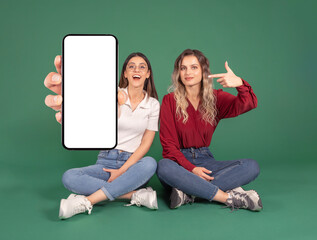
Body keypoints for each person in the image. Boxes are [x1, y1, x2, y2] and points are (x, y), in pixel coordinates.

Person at [44, 52, 160, 219]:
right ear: (125, 73)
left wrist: (122, 171)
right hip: (106, 162)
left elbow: (146, 143)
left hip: (132, 167)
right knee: (69, 177)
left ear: (148, 74)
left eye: (142, 67)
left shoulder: (153, 104)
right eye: (131, 66)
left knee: (150, 163)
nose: (137, 70)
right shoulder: (113, 95)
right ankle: (134, 194)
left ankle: (87, 201)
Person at [157, 49, 262, 211]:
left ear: (203, 71)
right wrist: (191, 169)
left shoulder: (215, 98)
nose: (187, 72)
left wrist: (240, 83)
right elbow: (169, 147)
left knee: (251, 166)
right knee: (163, 166)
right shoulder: (169, 101)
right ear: (178, 73)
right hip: (178, 162)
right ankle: (227, 197)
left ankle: (187, 193)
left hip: (206, 161)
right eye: (183, 68)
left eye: (193, 67)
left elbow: (248, 103)